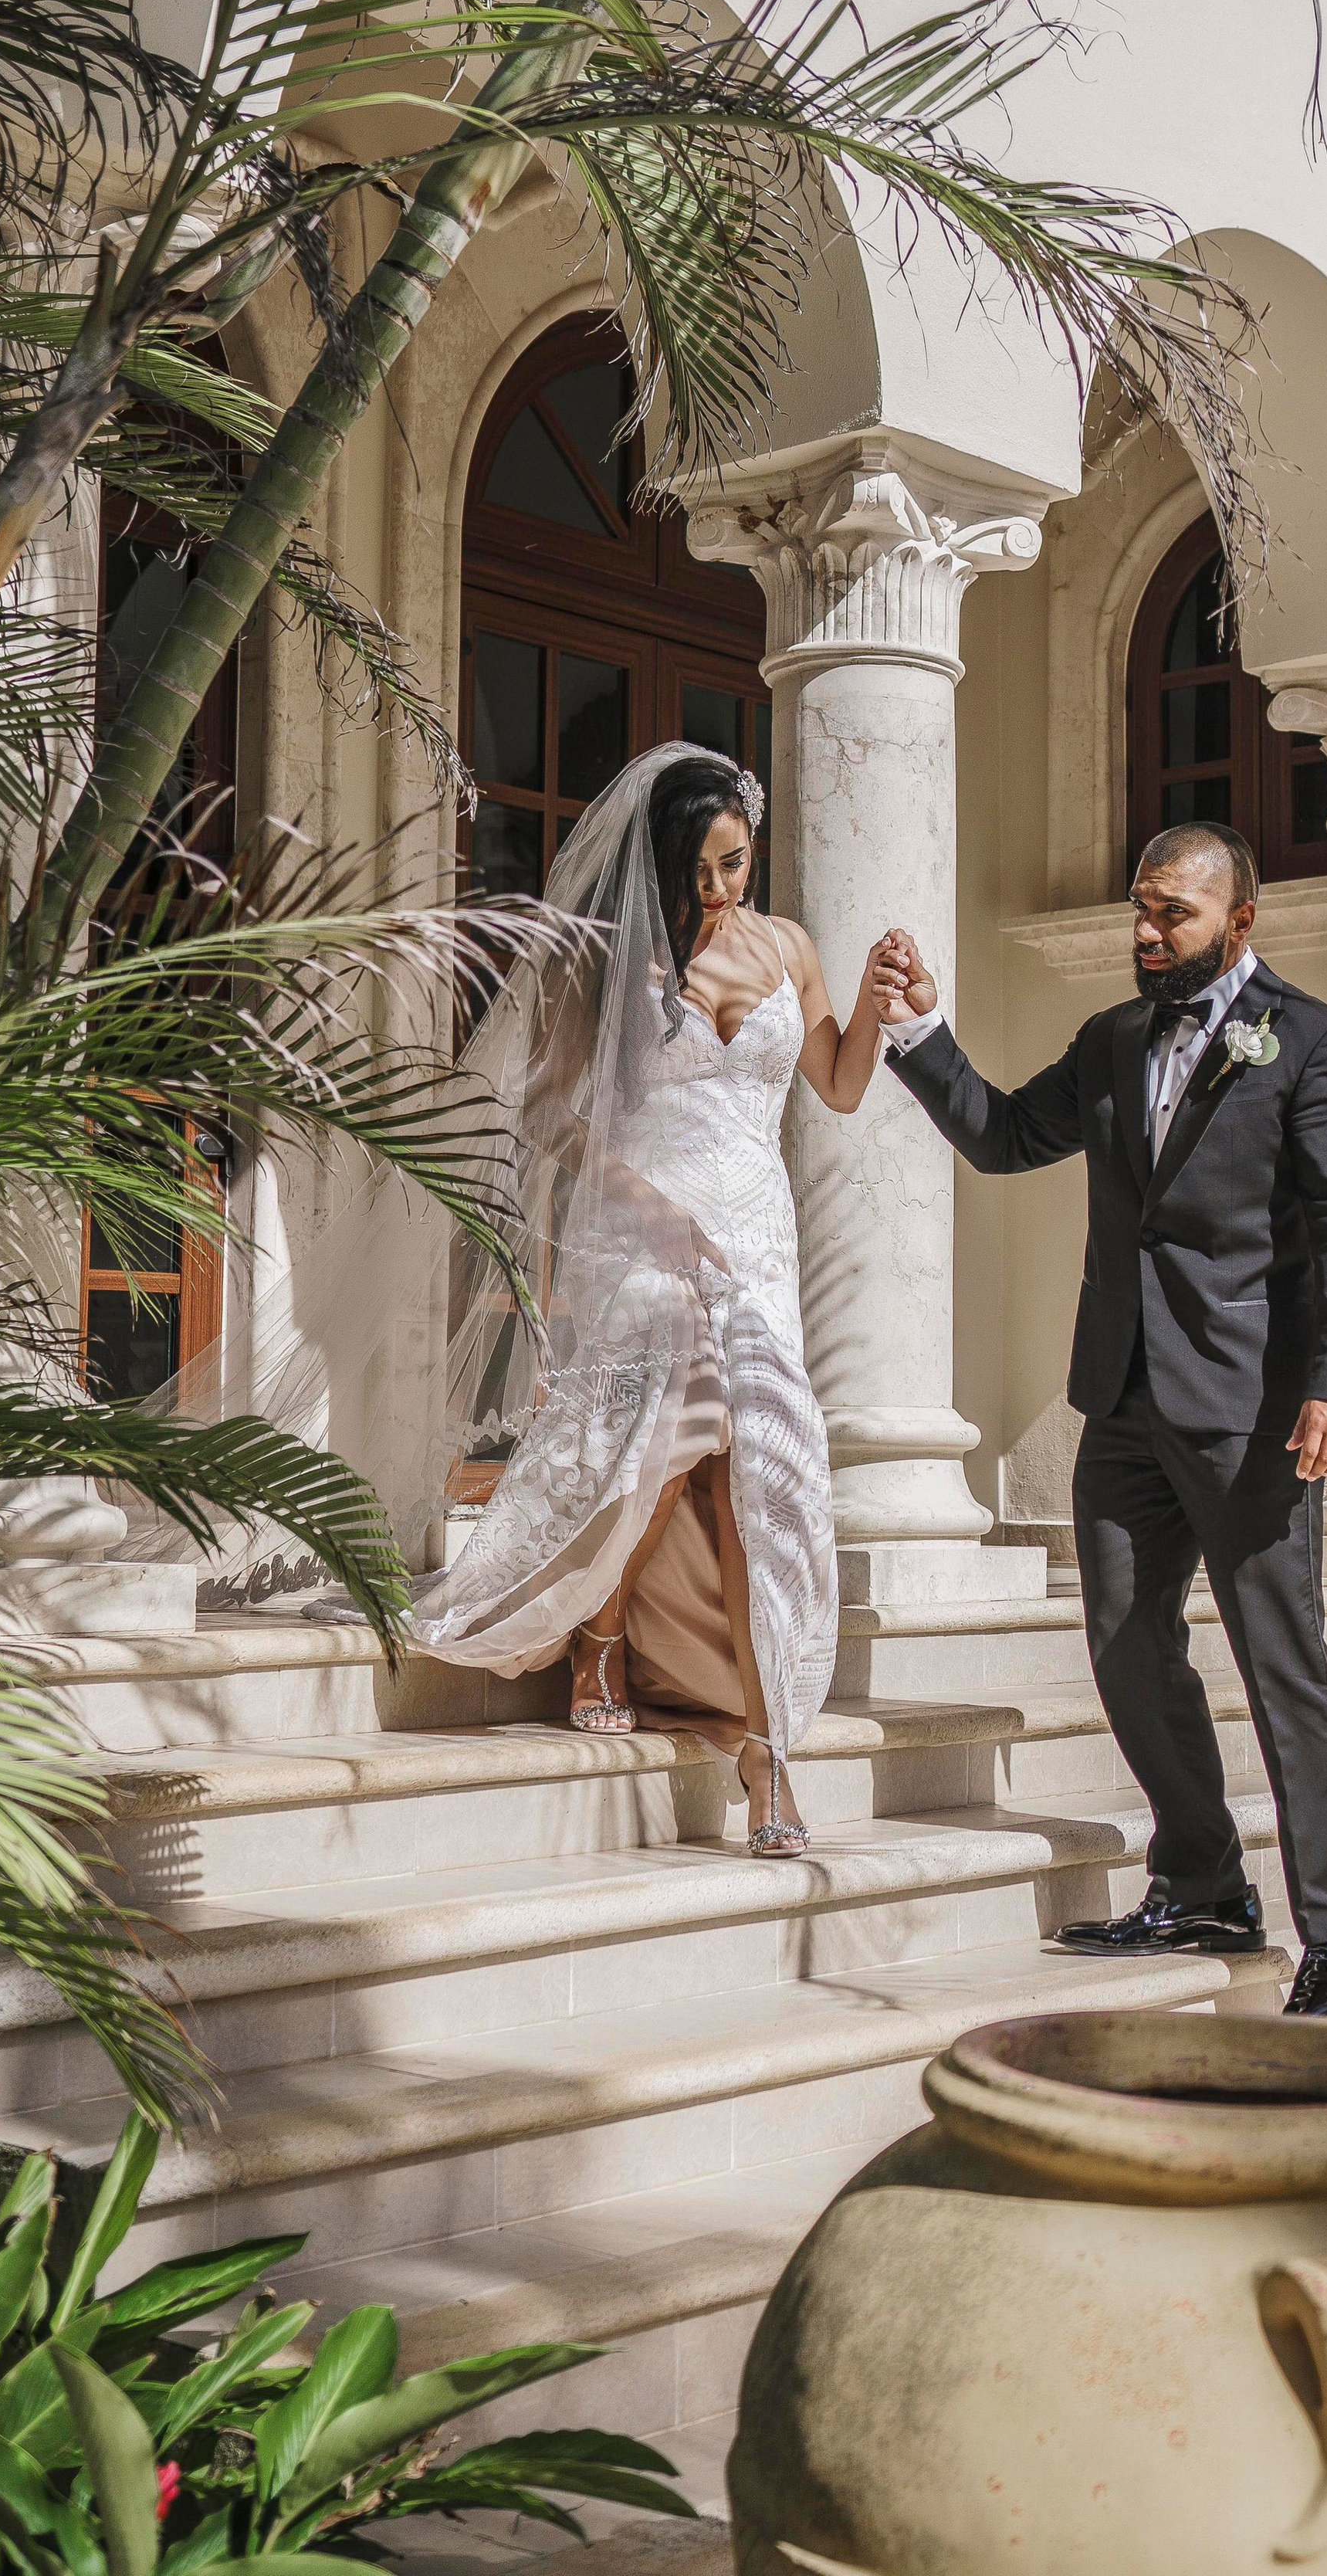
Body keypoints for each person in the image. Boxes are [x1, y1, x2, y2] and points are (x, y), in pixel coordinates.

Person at [876, 822, 1327, 2016]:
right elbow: (1007, 1138)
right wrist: (919, 1033)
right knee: (1124, 1640)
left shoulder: (1319, 1048)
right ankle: (1204, 1881)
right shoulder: (1114, 1040)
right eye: (1142, 911)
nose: (1149, 935)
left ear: (1240, 921)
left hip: (1255, 1410)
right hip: (1121, 1397)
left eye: (1176, 916)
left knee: (1284, 1665)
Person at [413, 744, 901, 1858]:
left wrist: (871, 1007)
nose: (724, 891)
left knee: (753, 1474)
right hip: (647, 1229)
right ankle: (598, 1631)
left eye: (738, 864)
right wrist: (647, 1209)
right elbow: (543, 1112)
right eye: (705, 872)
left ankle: (769, 1749)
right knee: (680, 1439)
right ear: (663, 865)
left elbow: (836, 1082)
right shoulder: (608, 960)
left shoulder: (785, 946)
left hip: (756, 1238)